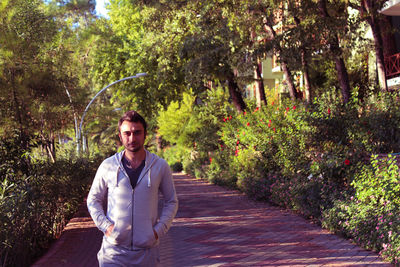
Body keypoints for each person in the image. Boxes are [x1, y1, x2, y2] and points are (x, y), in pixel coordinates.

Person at [87, 110, 178, 266]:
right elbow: (93, 199)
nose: (132, 138)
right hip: (113, 253)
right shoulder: (108, 165)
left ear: (145, 134)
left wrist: (158, 231)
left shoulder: (160, 166)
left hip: (147, 253)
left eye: (137, 133)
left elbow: (172, 201)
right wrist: (106, 227)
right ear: (120, 136)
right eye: (127, 133)